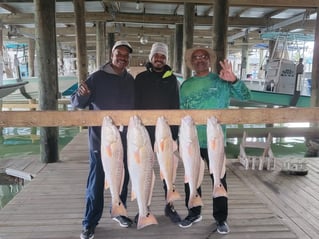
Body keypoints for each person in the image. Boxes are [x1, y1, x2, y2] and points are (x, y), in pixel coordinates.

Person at [178, 46, 251, 234]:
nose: (200, 59)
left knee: (219, 179)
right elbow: (181, 114)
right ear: (191, 62)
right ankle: (194, 212)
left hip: (216, 142)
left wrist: (233, 80)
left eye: (203, 56)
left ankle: (220, 218)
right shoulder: (186, 85)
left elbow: (246, 96)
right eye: (196, 57)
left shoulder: (222, 80)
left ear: (209, 60)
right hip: (192, 141)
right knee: (190, 178)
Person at [71, 40, 135, 239]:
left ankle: (119, 211)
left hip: (125, 139)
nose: (122, 58)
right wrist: (83, 96)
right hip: (101, 141)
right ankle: (90, 222)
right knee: (96, 181)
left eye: (125, 55)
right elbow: (77, 102)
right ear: (111, 55)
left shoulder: (130, 79)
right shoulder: (97, 77)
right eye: (119, 54)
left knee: (122, 177)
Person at [135, 42, 181, 223]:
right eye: (156, 56)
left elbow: (175, 106)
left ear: (166, 59)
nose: (159, 59)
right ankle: (143, 207)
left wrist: (175, 134)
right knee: (143, 170)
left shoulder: (171, 80)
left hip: (165, 132)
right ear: (151, 58)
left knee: (166, 170)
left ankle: (170, 206)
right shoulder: (140, 78)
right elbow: (135, 105)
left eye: (162, 56)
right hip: (145, 132)